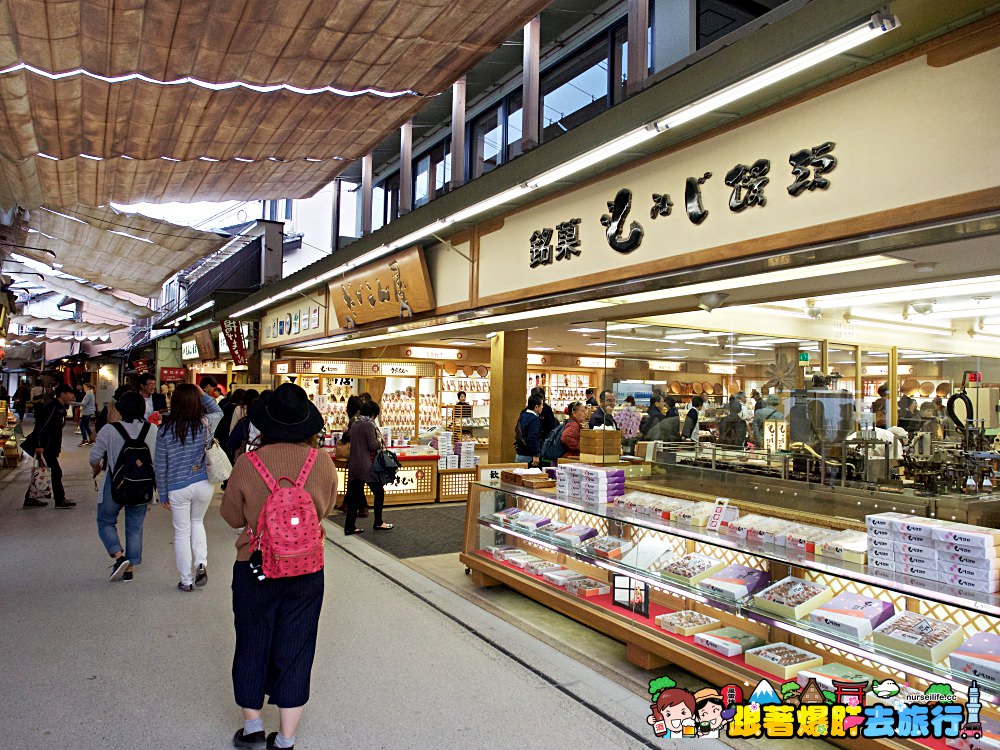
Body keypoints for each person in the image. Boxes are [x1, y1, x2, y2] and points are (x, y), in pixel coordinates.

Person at [221, 383, 337, 750]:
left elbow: (230, 515)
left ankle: (253, 729)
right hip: (306, 567)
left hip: (255, 566)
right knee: (298, 644)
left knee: (252, 639)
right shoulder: (322, 462)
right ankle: (285, 738)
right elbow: (327, 509)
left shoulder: (247, 463)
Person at [154, 383, 223, 591]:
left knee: (181, 532)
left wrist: (163, 493)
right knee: (197, 522)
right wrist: (202, 394)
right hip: (203, 483)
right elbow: (218, 410)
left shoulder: (164, 430)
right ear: (196, 402)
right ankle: (201, 563)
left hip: (177, 486)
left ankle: (186, 580)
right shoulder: (206, 423)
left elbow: (160, 464)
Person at [90, 391, 157, 583]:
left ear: (120, 409)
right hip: (142, 485)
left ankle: (119, 556)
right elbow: (157, 460)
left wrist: (97, 468)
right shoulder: (152, 430)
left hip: (114, 485)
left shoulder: (109, 430)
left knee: (105, 521)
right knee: (135, 527)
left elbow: (94, 457)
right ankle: (130, 568)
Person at [343, 400, 393, 535]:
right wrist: (379, 441)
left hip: (354, 465)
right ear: (373, 414)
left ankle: (350, 526)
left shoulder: (355, 424)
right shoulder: (368, 425)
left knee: (354, 497)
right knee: (379, 492)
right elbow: (372, 445)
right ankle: (378, 522)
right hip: (366, 466)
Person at [23, 384, 76, 508]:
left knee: (42, 470)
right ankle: (59, 500)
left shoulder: (60, 408)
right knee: (56, 472)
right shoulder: (52, 407)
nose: (72, 396)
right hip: (45, 446)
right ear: (62, 394)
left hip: (49, 446)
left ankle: (30, 498)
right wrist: (40, 445)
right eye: (70, 393)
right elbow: (42, 427)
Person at [515, 395, 544, 466]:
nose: (542, 407)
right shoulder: (534, 419)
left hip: (520, 452)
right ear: (536, 407)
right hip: (529, 456)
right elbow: (533, 437)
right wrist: (536, 454)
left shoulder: (523, 415)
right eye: (541, 405)